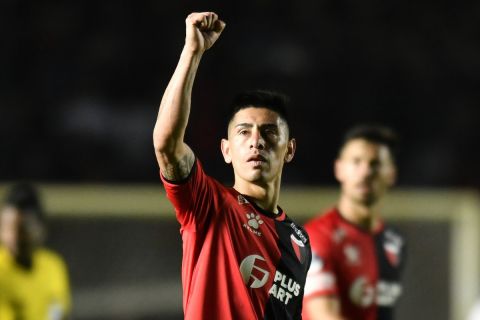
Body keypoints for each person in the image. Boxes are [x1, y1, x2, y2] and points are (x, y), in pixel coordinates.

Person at [153, 11, 311, 320]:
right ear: (226, 150)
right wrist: (192, 52)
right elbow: (166, 144)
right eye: (243, 132)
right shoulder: (208, 204)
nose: (256, 141)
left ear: (289, 150)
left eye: (269, 132)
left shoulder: (299, 241)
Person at [303, 125, 406, 320]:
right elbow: (324, 316)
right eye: (356, 162)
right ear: (339, 169)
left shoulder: (395, 242)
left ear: (391, 174)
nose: (365, 172)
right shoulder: (317, 237)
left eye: (375, 164)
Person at [0, 183, 71, 320]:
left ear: (39, 227)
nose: (12, 237)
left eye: (21, 228)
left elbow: (61, 312)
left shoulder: (54, 266)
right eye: (6, 227)